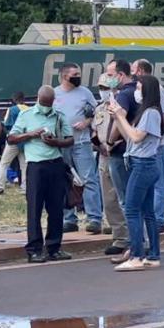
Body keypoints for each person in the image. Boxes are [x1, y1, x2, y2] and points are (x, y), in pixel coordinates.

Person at [8, 86, 75, 263]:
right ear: (38, 99)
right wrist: (31, 134)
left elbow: (70, 139)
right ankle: (34, 249)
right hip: (36, 166)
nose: (46, 107)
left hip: (55, 164)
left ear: (53, 102)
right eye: (44, 103)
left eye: (49, 104)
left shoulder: (59, 115)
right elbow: (11, 138)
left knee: (56, 208)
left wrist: (56, 142)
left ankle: (54, 247)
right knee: (34, 208)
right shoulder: (26, 115)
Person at [109, 74, 163, 272]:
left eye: (139, 87)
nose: (136, 91)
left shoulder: (151, 112)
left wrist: (121, 116)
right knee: (147, 212)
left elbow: (137, 137)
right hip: (141, 163)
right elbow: (129, 137)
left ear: (147, 90)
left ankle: (137, 255)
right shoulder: (146, 112)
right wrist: (117, 117)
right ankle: (153, 255)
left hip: (143, 165)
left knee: (132, 210)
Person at [53, 63, 102, 234]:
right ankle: (69, 218)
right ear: (64, 76)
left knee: (89, 178)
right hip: (62, 143)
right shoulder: (54, 94)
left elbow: (97, 111)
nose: (78, 76)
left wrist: (86, 123)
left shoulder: (85, 93)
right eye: (75, 74)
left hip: (82, 142)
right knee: (65, 179)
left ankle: (94, 218)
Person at [131, 59, 164, 233]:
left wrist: (159, 137)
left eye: (133, 70)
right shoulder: (148, 99)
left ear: (139, 71)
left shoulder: (155, 93)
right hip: (153, 144)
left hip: (158, 144)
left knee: (159, 183)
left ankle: (158, 219)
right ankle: (153, 222)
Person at [93, 73, 129, 256]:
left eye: (106, 88)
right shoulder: (99, 109)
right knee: (109, 200)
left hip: (119, 154)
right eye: (101, 88)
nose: (103, 92)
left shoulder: (120, 107)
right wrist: (100, 146)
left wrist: (112, 143)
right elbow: (94, 132)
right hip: (103, 156)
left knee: (124, 198)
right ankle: (120, 237)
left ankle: (134, 237)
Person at [105, 59, 137, 229]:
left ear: (121, 75)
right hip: (137, 151)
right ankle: (144, 242)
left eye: (111, 75)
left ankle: (135, 244)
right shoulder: (139, 92)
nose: (108, 79)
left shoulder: (123, 95)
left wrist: (109, 142)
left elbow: (119, 118)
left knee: (125, 201)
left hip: (121, 151)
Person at [0, 92, 29, 193]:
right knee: (24, 165)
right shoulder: (29, 109)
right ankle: (25, 187)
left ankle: (0, 187)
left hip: (13, 139)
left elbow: (6, 124)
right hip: (25, 140)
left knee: (4, 163)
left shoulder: (12, 109)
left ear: (14, 99)